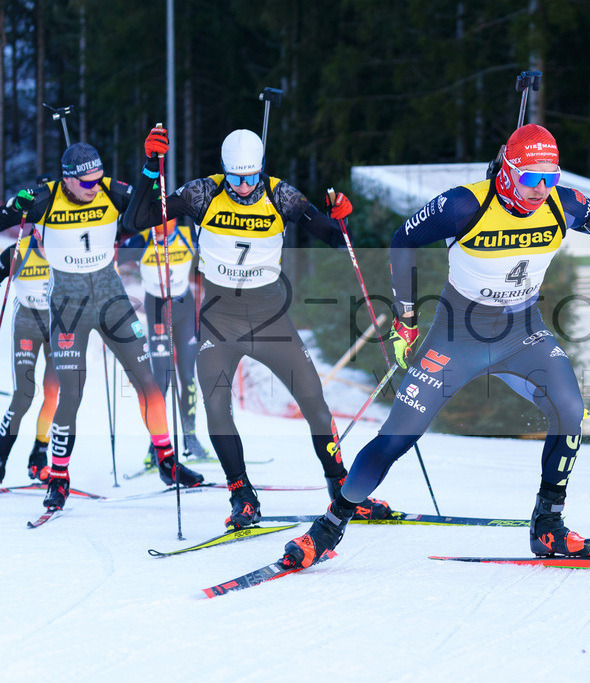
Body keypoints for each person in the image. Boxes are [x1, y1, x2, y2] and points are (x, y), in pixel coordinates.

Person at [281, 123, 590, 569]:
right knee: (397, 437)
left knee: (569, 410)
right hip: (458, 334)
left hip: (523, 331)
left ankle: (548, 526)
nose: (541, 189)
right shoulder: (465, 204)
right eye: (531, 178)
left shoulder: (563, 204)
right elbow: (404, 239)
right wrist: (406, 319)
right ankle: (329, 526)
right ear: (507, 171)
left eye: (550, 177)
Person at [124, 126, 391, 529]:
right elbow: (136, 219)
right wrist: (149, 170)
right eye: (236, 178)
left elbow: (333, 237)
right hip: (219, 320)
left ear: (261, 169)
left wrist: (343, 219)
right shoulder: (202, 193)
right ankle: (242, 495)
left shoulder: (281, 195)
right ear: (224, 171)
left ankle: (342, 488)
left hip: (270, 318)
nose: (245, 186)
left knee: (314, 402)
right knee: (216, 405)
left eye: (251, 177)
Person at [0, 143, 205, 510]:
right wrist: (17, 206)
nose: (94, 186)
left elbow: (147, 211)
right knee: (72, 393)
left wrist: (149, 169)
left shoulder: (112, 189)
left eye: (97, 179)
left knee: (148, 380)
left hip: (112, 300)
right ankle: (59, 475)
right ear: (68, 179)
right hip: (67, 305)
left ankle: (167, 460)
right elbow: (4, 221)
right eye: (87, 182)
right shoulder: (46, 199)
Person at [118, 217, 211, 469]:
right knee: (160, 380)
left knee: (188, 376)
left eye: (165, 232)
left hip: (184, 306)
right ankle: (156, 447)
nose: (160, 237)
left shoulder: (188, 236)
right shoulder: (142, 240)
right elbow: (111, 256)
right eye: (157, 232)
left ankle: (190, 440)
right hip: (157, 309)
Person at [0, 228, 58, 484]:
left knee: (54, 393)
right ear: (35, 233)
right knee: (23, 396)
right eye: (44, 240)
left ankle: (39, 457)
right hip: (26, 323)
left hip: (59, 326)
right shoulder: (19, 251)